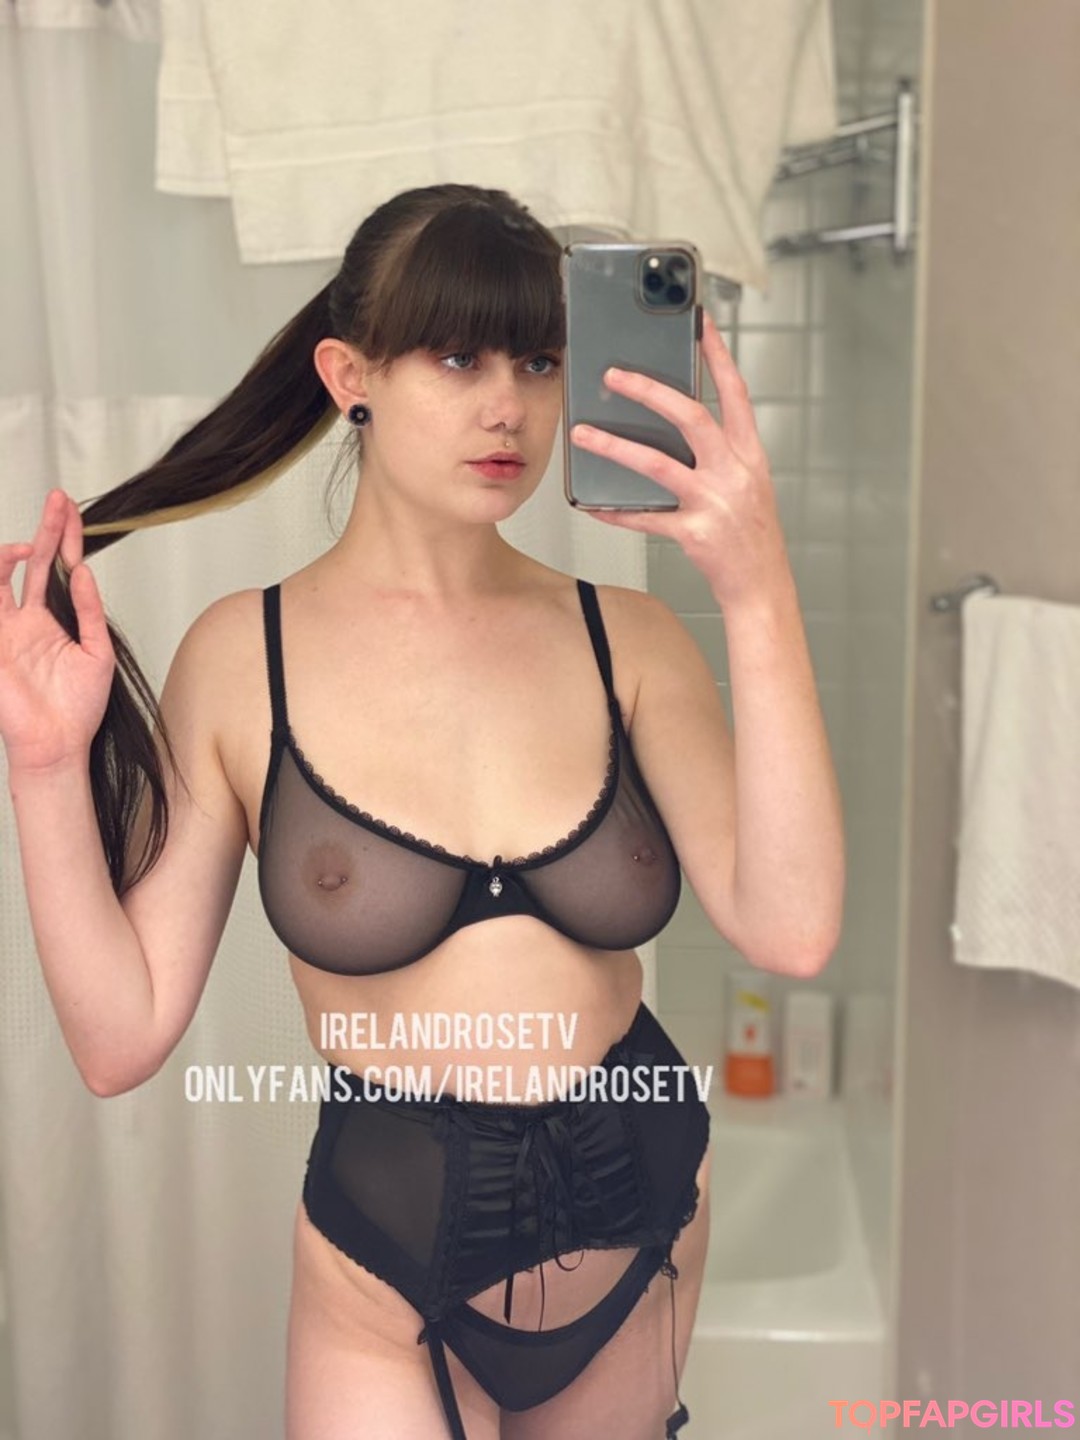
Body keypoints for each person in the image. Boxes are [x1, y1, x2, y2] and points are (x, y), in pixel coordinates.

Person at [0, 184, 844, 1440]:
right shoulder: (243, 659)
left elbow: (792, 928)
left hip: (640, 1216)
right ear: (352, 375)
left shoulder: (630, 639)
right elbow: (119, 1039)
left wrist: (757, 588)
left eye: (539, 361)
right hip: (386, 1257)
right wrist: (41, 766)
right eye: (457, 359)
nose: (509, 406)